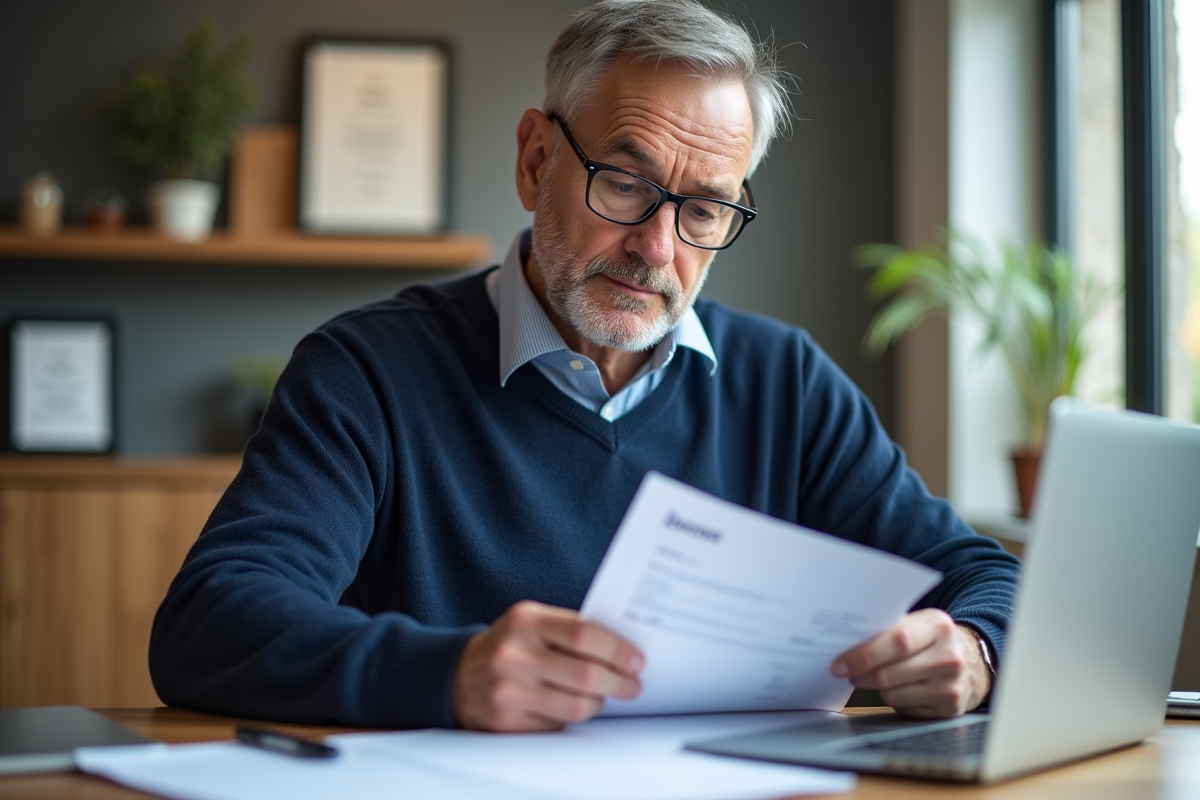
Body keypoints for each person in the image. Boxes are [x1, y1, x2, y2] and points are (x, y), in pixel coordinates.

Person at [150, 0, 1019, 732]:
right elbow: (211, 621)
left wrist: (974, 651)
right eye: (625, 184)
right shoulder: (367, 372)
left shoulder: (784, 383)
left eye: (706, 209)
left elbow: (988, 578)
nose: (655, 247)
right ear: (536, 161)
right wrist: (448, 674)